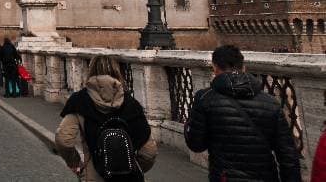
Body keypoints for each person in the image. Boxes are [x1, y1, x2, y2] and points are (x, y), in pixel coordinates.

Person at [184, 45, 301, 182]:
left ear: (215, 68)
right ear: (244, 67)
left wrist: (188, 126)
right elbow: (288, 156)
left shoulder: (205, 99)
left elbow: (196, 144)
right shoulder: (271, 102)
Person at [55, 55, 156, 181]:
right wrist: (131, 167)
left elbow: (63, 140)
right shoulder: (131, 103)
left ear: (90, 71)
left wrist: (76, 163)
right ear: (117, 71)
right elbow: (149, 152)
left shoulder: (79, 100)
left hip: (94, 175)